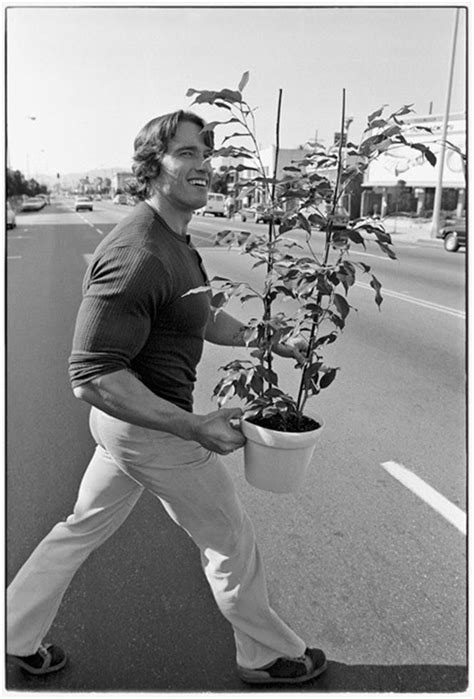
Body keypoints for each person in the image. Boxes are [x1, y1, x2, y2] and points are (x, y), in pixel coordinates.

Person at [6, 110, 327, 685]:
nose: (203, 164)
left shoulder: (176, 240)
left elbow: (201, 317)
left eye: (207, 153)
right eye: (186, 153)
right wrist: (193, 426)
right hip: (152, 428)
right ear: (153, 168)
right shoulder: (139, 252)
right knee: (230, 537)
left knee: (80, 526)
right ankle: (267, 655)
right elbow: (93, 373)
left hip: (125, 432)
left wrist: (275, 342)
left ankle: (11, 632)